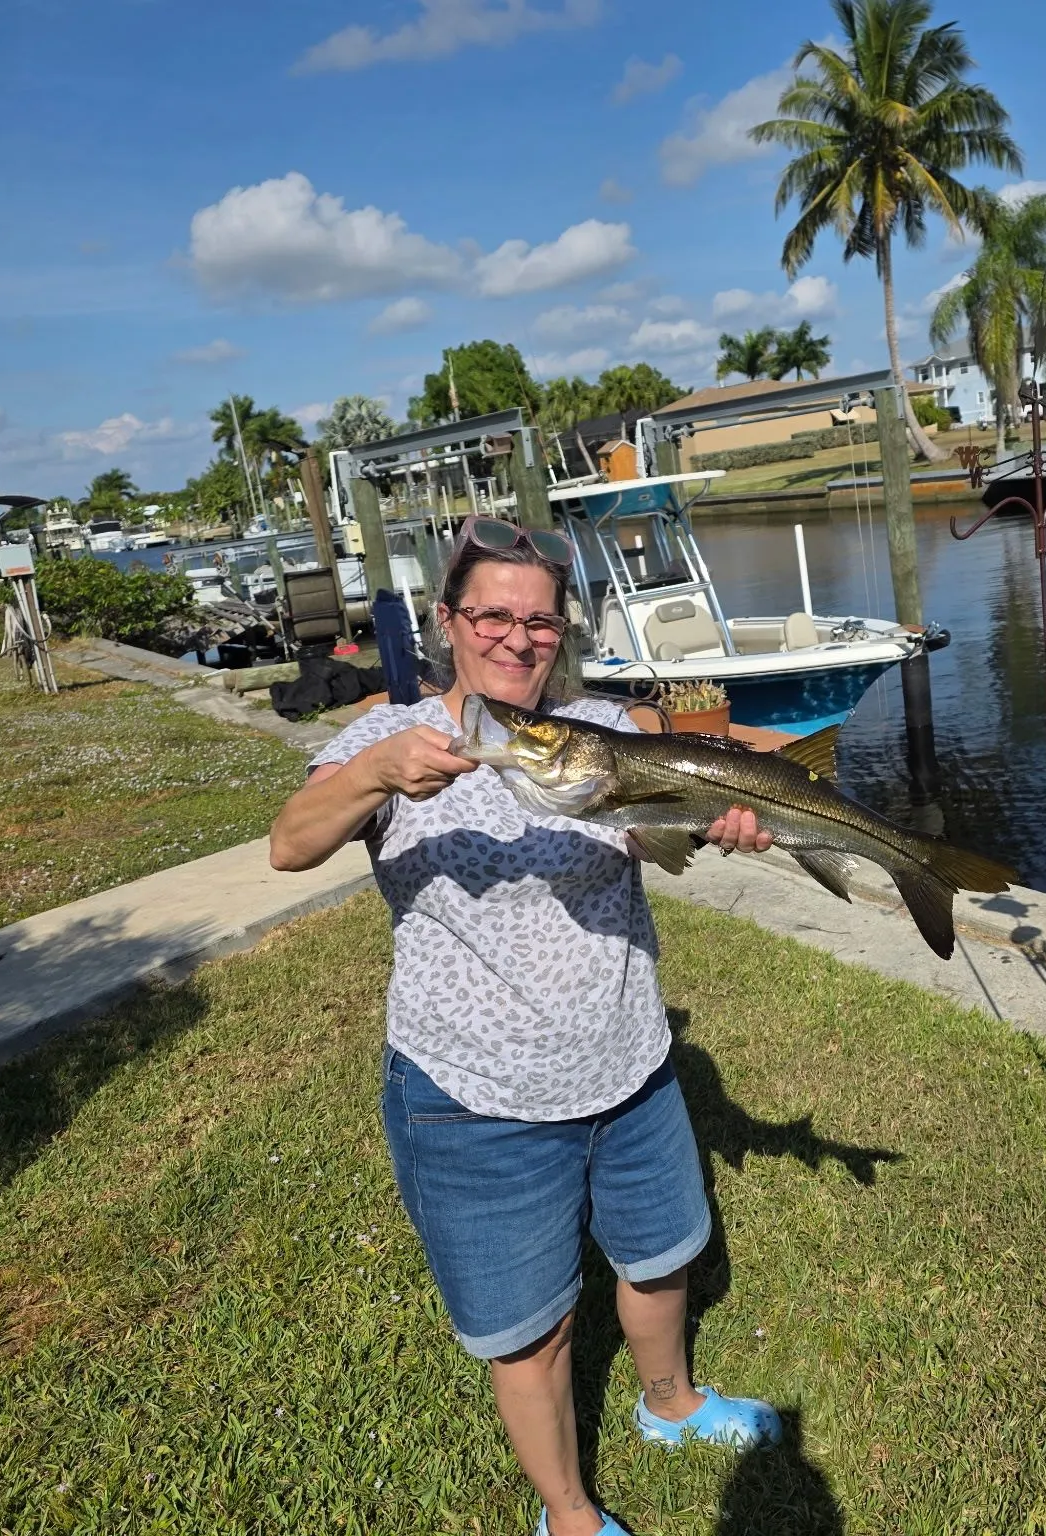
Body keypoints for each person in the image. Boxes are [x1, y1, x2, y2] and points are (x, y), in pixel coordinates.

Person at [269, 516, 781, 1536]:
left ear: (562, 634)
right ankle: (571, 1519)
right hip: (475, 1097)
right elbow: (289, 844)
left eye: (539, 621)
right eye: (492, 614)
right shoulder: (384, 737)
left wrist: (731, 804)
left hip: (629, 1061)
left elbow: (693, 785)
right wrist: (374, 780)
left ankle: (669, 1403)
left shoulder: (596, 731)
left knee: (662, 1257)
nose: (516, 638)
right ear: (448, 621)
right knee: (530, 1336)